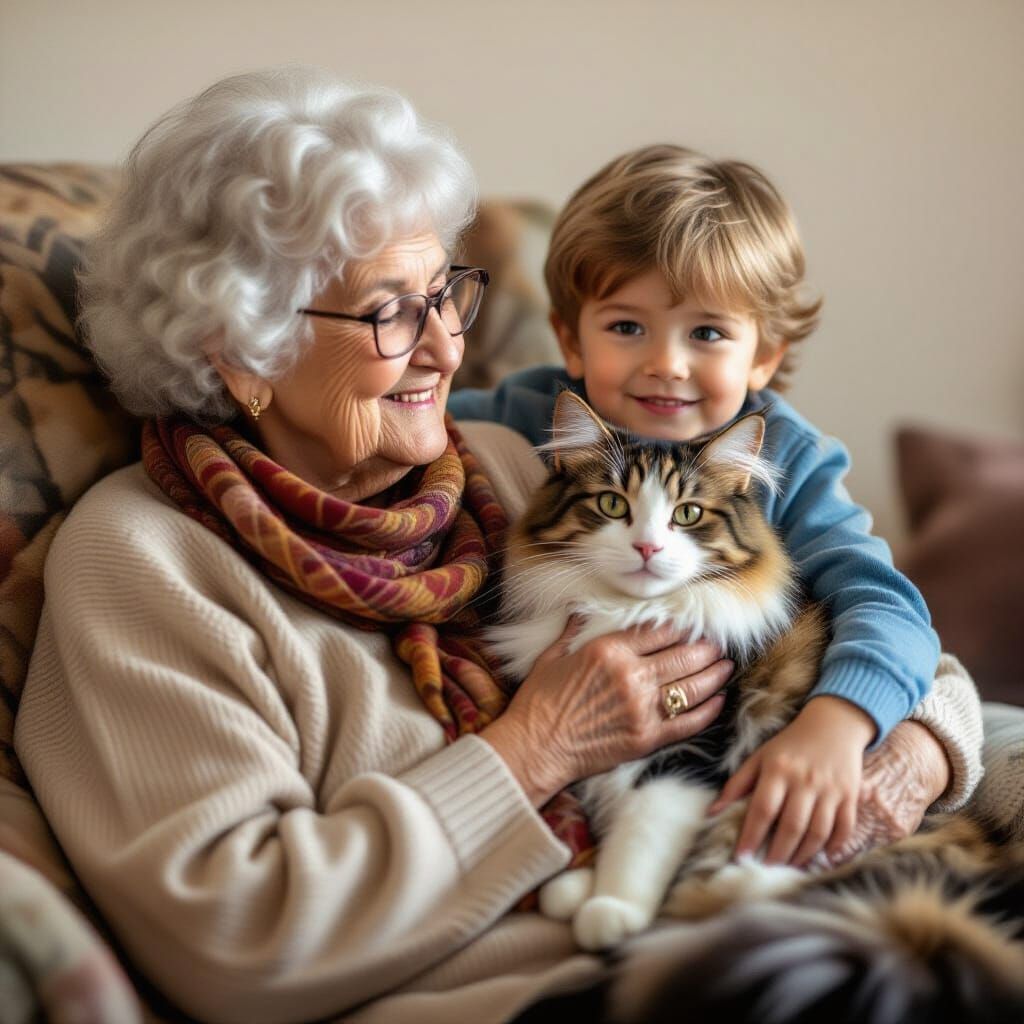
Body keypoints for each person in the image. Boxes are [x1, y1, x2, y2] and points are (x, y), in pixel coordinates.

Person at [13, 69, 980, 1024]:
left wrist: (922, 753)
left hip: (765, 903)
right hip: (581, 984)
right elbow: (237, 941)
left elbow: (873, 641)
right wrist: (535, 750)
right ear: (242, 349)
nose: (446, 349)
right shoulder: (141, 562)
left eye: (447, 295)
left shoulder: (506, 468)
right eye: (392, 311)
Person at [448, 145, 948, 869]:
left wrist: (839, 724)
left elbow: (886, 602)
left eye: (707, 333)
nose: (667, 364)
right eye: (626, 327)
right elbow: (400, 423)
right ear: (570, 339)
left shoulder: (789, 454)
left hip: (727, 742)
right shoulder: (524, 409)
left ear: (764, 357)